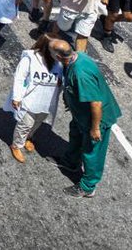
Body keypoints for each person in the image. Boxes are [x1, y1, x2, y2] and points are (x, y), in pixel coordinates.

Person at [50, 38, 121, 197]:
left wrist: (95, 128)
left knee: (92, 151)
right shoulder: (76, 57)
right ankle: (71, 162)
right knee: (75, 135)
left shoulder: (81, 73)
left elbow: (96, 103)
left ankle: (88, 187)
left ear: (59, 57)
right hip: (81, 116)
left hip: (96, 119)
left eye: (51, 53)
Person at [5, 35, 63, 163]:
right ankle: (16, 145)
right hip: (30, 100)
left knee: (37, 123)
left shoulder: (58, 61)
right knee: (25, 124)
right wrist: (17, 97)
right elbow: (19, 78)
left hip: (46, 102)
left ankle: (27, 138)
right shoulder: (30, 59)